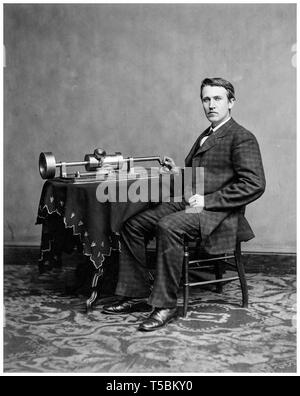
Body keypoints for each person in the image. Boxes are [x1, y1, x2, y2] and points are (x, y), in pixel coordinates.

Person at [102, 77, 266, 331]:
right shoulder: (208, 134)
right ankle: (136, 294)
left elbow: (254, 184)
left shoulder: (241, 137)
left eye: (218, 99)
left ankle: (166, 305)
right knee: (132, 224)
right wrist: (177, 171)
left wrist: (209, 200)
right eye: (206, 99)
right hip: (193, 204)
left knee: (168, 226)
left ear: (231, 102)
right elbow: (205, 176)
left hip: (218, 213)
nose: (211, 105)